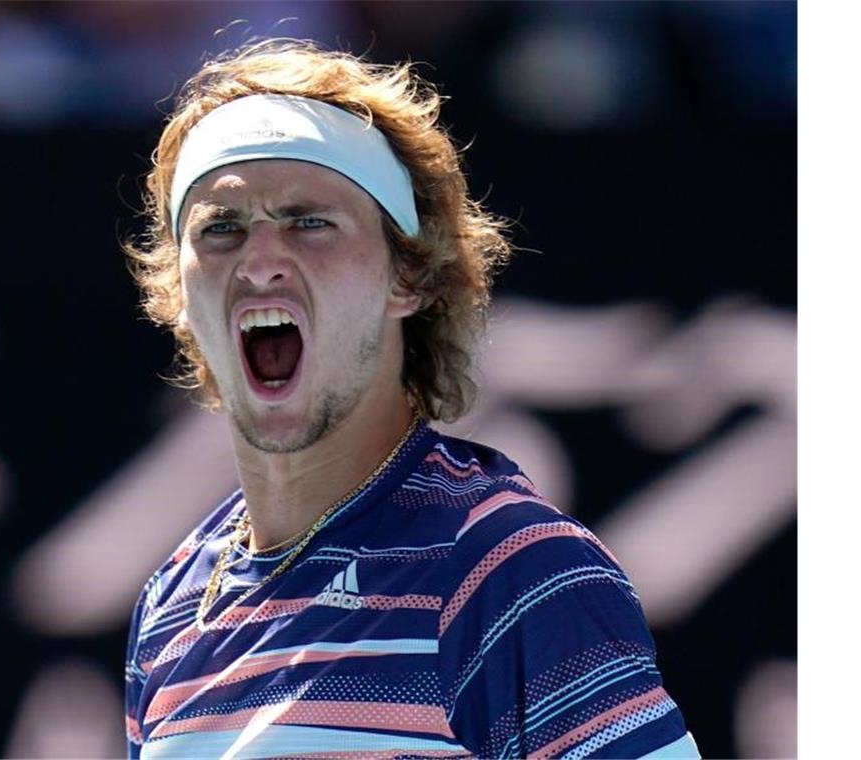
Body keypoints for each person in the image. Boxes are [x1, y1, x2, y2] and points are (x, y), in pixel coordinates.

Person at [122, 39, 698, 759]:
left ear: (410, 278)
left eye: (309, 222)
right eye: (221, 230)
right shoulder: (171, 605)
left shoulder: (510, 569)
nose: (260, 261)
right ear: (179, 294)